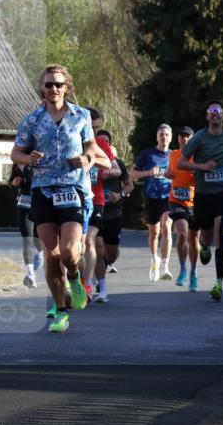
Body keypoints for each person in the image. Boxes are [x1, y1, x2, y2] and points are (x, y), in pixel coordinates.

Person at [10, 65, 96, 333]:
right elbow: (16, 153)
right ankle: (60, 310)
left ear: (66, 87)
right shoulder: (32, 120)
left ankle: (74, 275)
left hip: (72, 188)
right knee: (52, 253)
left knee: (70, 252)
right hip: (43, 190)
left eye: (58, 84)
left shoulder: (81, 116)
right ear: (42, 89)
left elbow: (91, 146)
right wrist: (28, 158)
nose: (54, 89)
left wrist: (86, 158)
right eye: (49, 85)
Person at [178, 101, 223, 301]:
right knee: (207, 235)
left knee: (221, 234)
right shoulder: (199, 138)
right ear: (207, 116)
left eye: (218, 111)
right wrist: (201, 167)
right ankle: (203, 246)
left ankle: (218, 283)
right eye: (211, 111)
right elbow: (181, 163)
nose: (215, 114)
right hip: (203, 195)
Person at [132, 124, 174, 282]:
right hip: (151, 197)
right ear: (157, 137)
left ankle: (165, 265)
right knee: (154, 233)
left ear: (171, 138)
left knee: (167, 228)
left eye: (167, 135)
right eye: (161, 134)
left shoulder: (174, 155)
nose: (164, 137)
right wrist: (149, 172)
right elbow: (132, 175)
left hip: (169, 198)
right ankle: (153, 259)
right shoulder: (147, 154)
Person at [94, 129, 132, 300]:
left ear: (109, 145)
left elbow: (129, 185)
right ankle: (102, 289)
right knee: (97, 248)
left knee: (111, 254)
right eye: (98, 141)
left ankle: (105, 263)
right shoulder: (91, 163)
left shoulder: (118, 164)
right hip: (95, 210)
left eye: (104, 142)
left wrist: (120, 195)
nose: (101, 145)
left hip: (113, 213)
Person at [85, 108, 118, 302]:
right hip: (76, 199)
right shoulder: (74, 141)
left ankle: (96, 287)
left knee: (94, 243)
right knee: (78, 245)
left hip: (96, 199)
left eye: (97, 127)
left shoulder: (101, 143)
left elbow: (115, 169)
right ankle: (77, 280)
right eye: (91, 127)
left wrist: (108, 172)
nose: (95, 132)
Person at [166, 127, 201, 291]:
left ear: (192, 139)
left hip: (195, 203)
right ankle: (182, 269)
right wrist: (167, 174)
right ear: (178, 139)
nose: (184, 139)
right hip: (176, 201)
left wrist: (196, 172)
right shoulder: (173, 155)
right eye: (182, 136)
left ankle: (194, 272)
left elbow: (201, 176)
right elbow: (169, 171)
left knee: (194, 240)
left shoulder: (198, 157)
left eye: (188, 137)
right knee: (182, 234)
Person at [8, 162, 43, 287]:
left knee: (38, 239)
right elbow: (10, 181)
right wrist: (14, 182)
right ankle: (30, 274)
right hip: (23, 203)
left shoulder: (37, 161)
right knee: (27, 239)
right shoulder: (16, 164)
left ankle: (39, 253)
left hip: (39, 203)